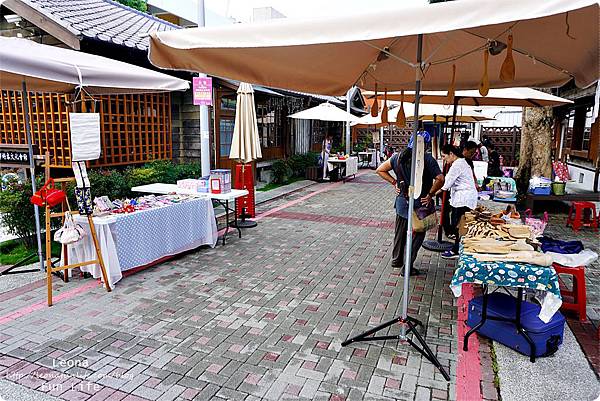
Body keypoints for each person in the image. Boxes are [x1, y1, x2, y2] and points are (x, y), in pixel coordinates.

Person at [376, 132, 445, 276]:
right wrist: (431, 194)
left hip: (402, 202)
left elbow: (380, 170)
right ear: (425, 144)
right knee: (418, 235)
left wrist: (395, 182)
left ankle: (397, 260)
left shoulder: (397, 157)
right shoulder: (427, 159)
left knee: (400, 233)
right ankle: (408, 267)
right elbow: (440, 179)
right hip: (420, 204)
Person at [439, 144, 478, 259]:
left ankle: (457, 250)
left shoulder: (457, 165)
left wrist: (430, 194)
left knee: (459, 225)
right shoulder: (462, 162)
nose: (443, 159)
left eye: (444, 156)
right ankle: (461, 248)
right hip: (466, 197)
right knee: (461, 224)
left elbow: (445, 185)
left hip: (463, 199)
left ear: (451, 154)